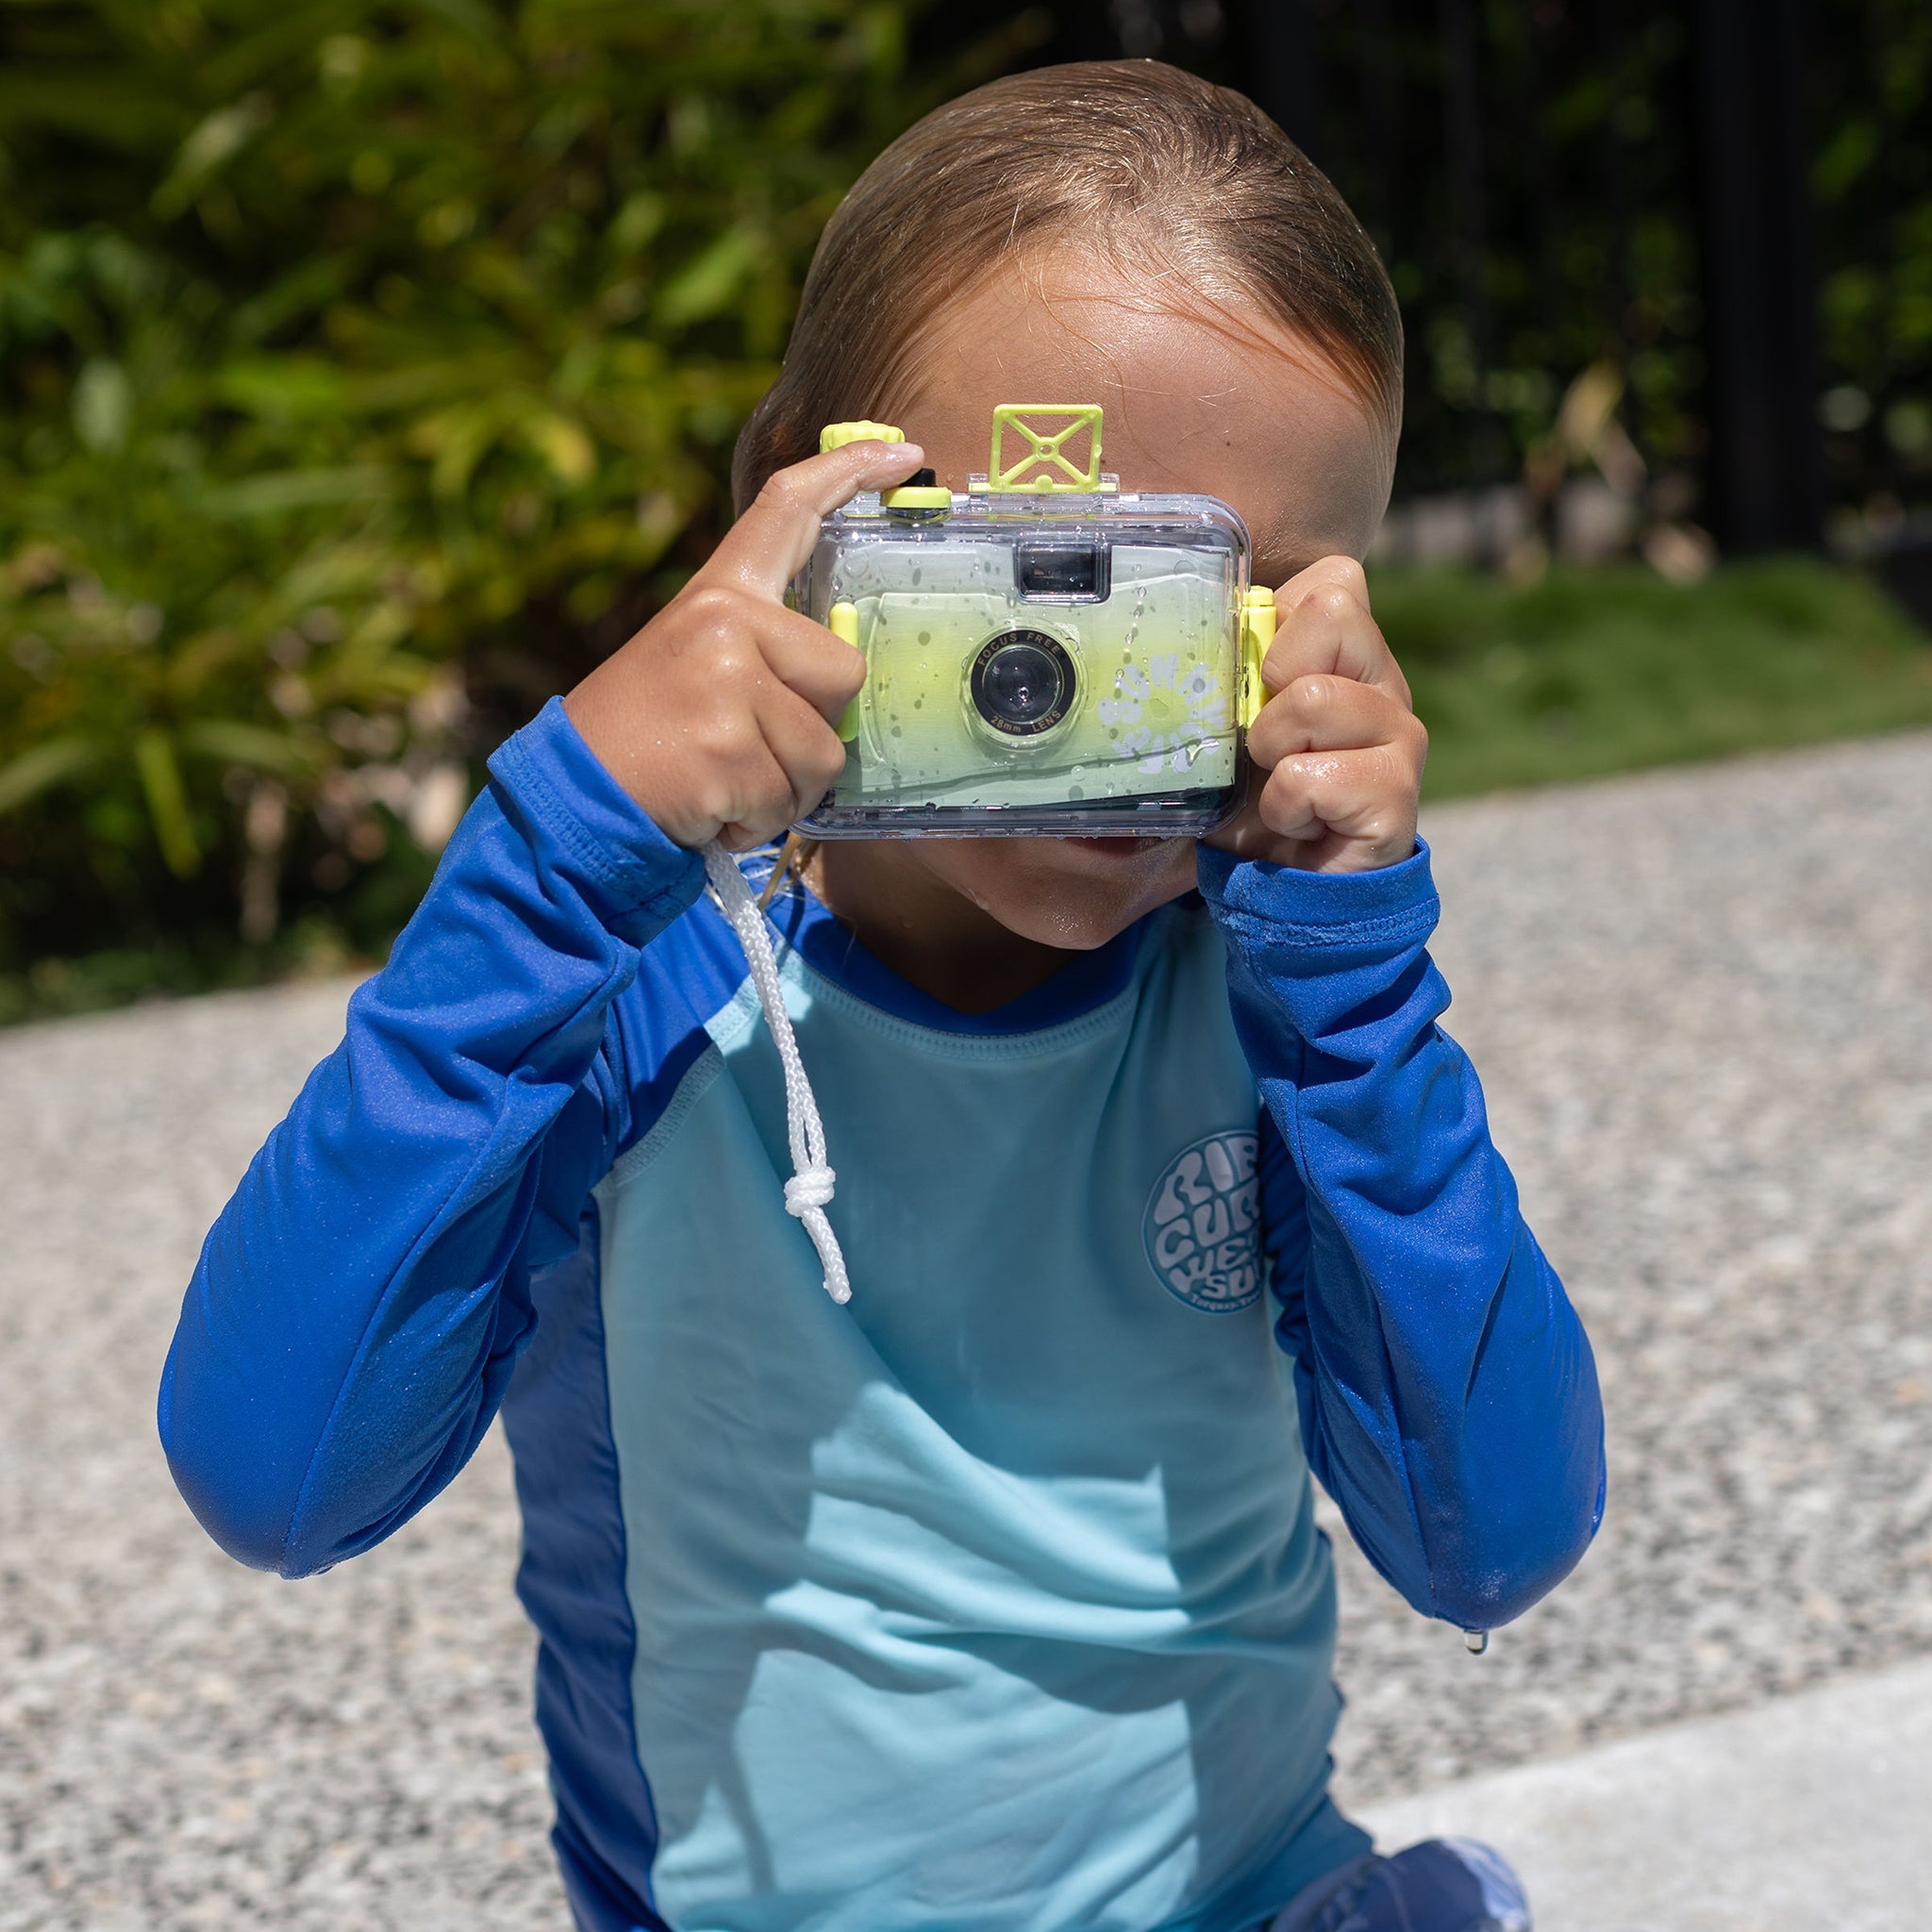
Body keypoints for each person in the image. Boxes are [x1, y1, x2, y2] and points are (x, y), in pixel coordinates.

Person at [159, 59, 1604, 1932]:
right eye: (1039, 577)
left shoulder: (1279, 1007)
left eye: (1217, 607)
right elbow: (275, 1481)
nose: (1108, 696)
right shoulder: (635, 988)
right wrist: (550, 863)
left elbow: (1493, 1547)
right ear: (798, 496)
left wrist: (1357, 1004)